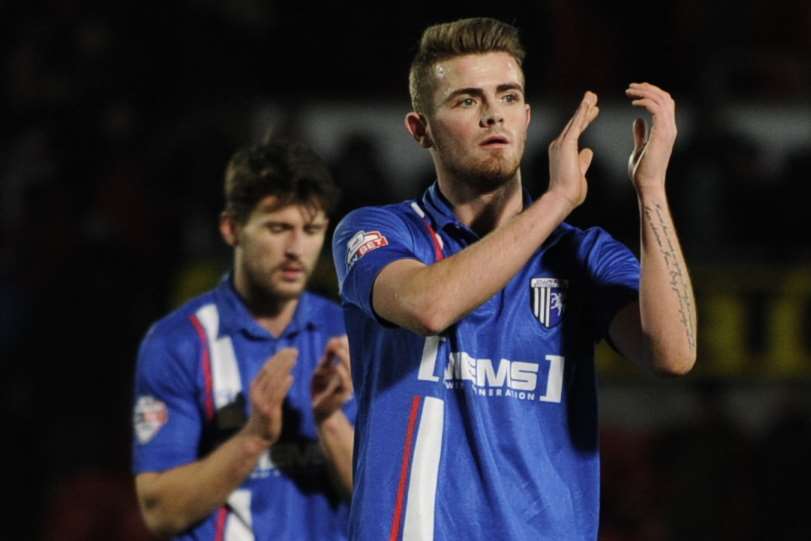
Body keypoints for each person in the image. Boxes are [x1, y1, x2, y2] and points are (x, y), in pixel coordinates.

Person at [332, 17, 696, 541]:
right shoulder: (378, 230)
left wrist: (652, 190)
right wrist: (555, 201)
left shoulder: (581, 253)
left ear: (525, 116)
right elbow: (428, 306)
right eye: (466, 101)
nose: (491, 115)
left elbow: (674, 354)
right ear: (420, 130)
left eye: (507, 97)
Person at [132, 140, 355, 540]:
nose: (295, 249)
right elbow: (161, 511)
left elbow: (385, 500)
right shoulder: (178, 343)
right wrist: (254, 438)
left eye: (311, 230)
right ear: (231, 229)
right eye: (277, 228)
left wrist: (329, 420)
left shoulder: (348, 336)